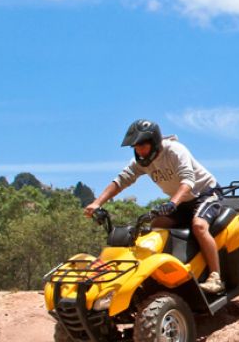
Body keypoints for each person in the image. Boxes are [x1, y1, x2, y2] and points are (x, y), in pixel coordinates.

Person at [84, 119, 226, 293]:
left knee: (199, 226)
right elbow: (121, 180)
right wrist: (97, 203)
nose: (138, 150)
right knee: (157, 225)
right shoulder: (141, 160)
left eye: (142, 145)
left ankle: (215, 277)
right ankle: (168, 272)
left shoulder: (175, 151)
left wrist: (173, 203)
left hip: (204, 193)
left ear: (154, 142)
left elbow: (188, 181)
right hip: (180, 201)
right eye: (135, 146)